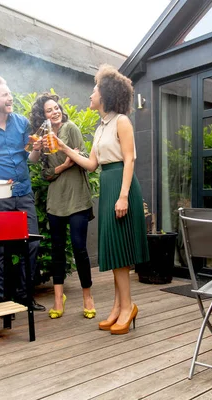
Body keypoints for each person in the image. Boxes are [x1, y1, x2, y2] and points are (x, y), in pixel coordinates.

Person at [45, 65, 149, 334]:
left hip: (120, 185)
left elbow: (130, 159)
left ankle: (127, 307)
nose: (90, 95)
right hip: (107, 182)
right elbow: (91, 164)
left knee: (121, 249)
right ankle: (118, 307)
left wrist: (124, 195)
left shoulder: (121, 121)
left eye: (94, 90)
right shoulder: (101, 127)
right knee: (114, 250)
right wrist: (64, 146)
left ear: (105, 94)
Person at [0, 76, 46, 311]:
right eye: (4, 94)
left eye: (10, 93)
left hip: (23, 192)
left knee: (32, 244)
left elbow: (31, 160)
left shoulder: (22, 123)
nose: (10, 97)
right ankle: (2, 301)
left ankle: (25, 296)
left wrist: (36, 150)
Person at [30, 93, 96, 319]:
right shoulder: (44, 139)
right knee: (57, 250)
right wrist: (64, 166)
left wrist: (70, 159)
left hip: (77, 198)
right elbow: (46, 174)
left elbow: (86, 159)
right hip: (56, 200)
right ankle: (59, 299)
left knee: (79, 248)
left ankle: (88, 296)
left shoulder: (71, 129)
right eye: (49, 110)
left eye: (56, 108)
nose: (55, 112)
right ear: (43, 116)